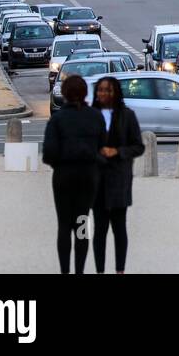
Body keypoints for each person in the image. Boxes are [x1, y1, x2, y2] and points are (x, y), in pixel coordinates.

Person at [42, 75, 106, 274]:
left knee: (64, 224)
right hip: (88, 176)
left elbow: (48, 153)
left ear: (66, 95)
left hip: (63, 175)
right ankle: (80, 270)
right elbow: (103, 148)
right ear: (85, 93)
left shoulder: (57, 119)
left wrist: (59, 162)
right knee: (81, 223)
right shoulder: (96, 116)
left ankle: (65, 271)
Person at [91, 76, 144, 273]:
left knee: (119, 228)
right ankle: (100, 270)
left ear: (116, 93)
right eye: (100, 90)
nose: (103, 93)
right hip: (97, 179)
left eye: (108, 90)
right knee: (99, 230)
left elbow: (138, 146)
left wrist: (118, 152)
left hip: (119, 178)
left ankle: (120, 269)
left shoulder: (127, 115)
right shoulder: (91, 114)